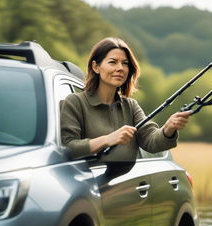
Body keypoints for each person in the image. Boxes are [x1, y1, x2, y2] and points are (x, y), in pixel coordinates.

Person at [60, 37, 190, 161]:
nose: (120, 68)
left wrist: (168, 128)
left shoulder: (131, 106)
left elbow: (151, 142)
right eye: (112, 62)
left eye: (125, 63)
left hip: (125, 182)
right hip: (87, 182)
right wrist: (107, 139)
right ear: (96, 67)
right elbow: (68, 148)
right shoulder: (75, 102)